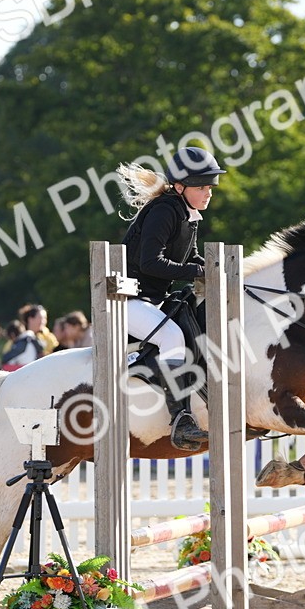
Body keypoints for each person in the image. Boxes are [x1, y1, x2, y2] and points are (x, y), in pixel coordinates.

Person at [117, 145, 226, 450]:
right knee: (172, 337)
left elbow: (191, 257)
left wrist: (217, 271)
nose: (208, 193)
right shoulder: (164, 211)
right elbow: (151, 263)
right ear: (180, 187)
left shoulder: (188, 214)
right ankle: (181, 419)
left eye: (210, 187)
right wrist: (196, 271)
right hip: (126, 300)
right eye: (201, 187)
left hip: (152, 299)